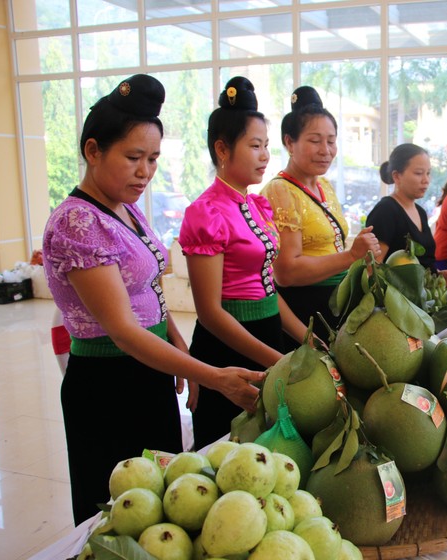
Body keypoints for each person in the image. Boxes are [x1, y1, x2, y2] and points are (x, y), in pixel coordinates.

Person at [42, 74, 264, 525]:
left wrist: (181, 350)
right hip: (109, 385)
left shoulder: (126, 209)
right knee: (119, 514)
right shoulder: (78, 223)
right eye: (132, 157)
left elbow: (149, 292)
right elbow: (122, 330)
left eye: (153, 159)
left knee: (162, 506)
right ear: (92, 151)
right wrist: (216, 375)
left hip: (149, 373)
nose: (145, 171)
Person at [178, 77, 308, 449]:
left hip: (267, 335)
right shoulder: (205, 213)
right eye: (255, 146)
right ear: (222, 148)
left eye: (266, 145)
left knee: (271, 449)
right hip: (228, 349)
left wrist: (307, 340)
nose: (265, 155)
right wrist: (277, 361)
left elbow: (268, 288)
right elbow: (209, 312)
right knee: (231, 449)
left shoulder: (257, 206)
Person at [261, 86, 381, 346]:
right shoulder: (280, 191)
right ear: (289, 142)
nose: (325, 150)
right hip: (305, 310)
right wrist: (350, 256)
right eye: (315, 141)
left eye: (331, 140)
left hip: (335, 304)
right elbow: (287, 272)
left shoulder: (324, 185)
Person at [366, 143, 436, 270]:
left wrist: (440, 274)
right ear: (397, 176)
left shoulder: (420, 212)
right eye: (419, 173)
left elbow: (424, 263)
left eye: (428, 173)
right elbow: (373, 269)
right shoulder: (385, 210)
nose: (426, 180)